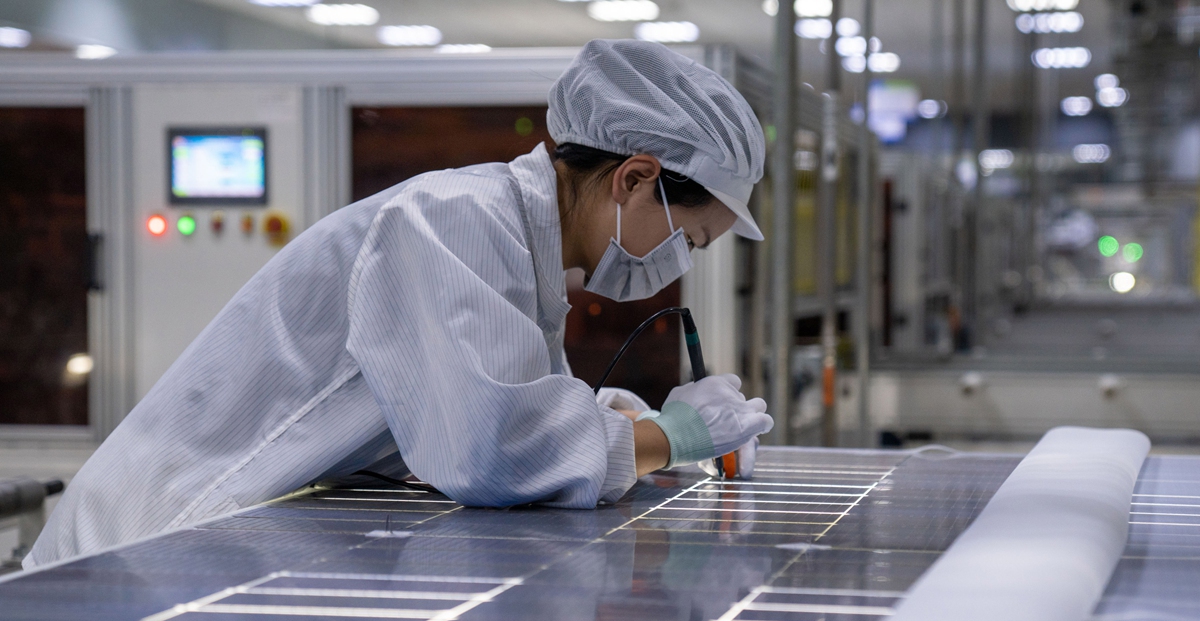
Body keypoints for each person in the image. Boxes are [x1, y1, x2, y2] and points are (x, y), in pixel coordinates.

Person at [25, 39, 772, 568]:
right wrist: (671, 439)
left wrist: (611, 419)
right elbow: (494, 449)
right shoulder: (457, 220)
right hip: (150, 545)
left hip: (203, 543)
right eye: (689, 238)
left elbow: (476, 407)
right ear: (635, 178)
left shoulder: (515, 241)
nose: (680, 263)